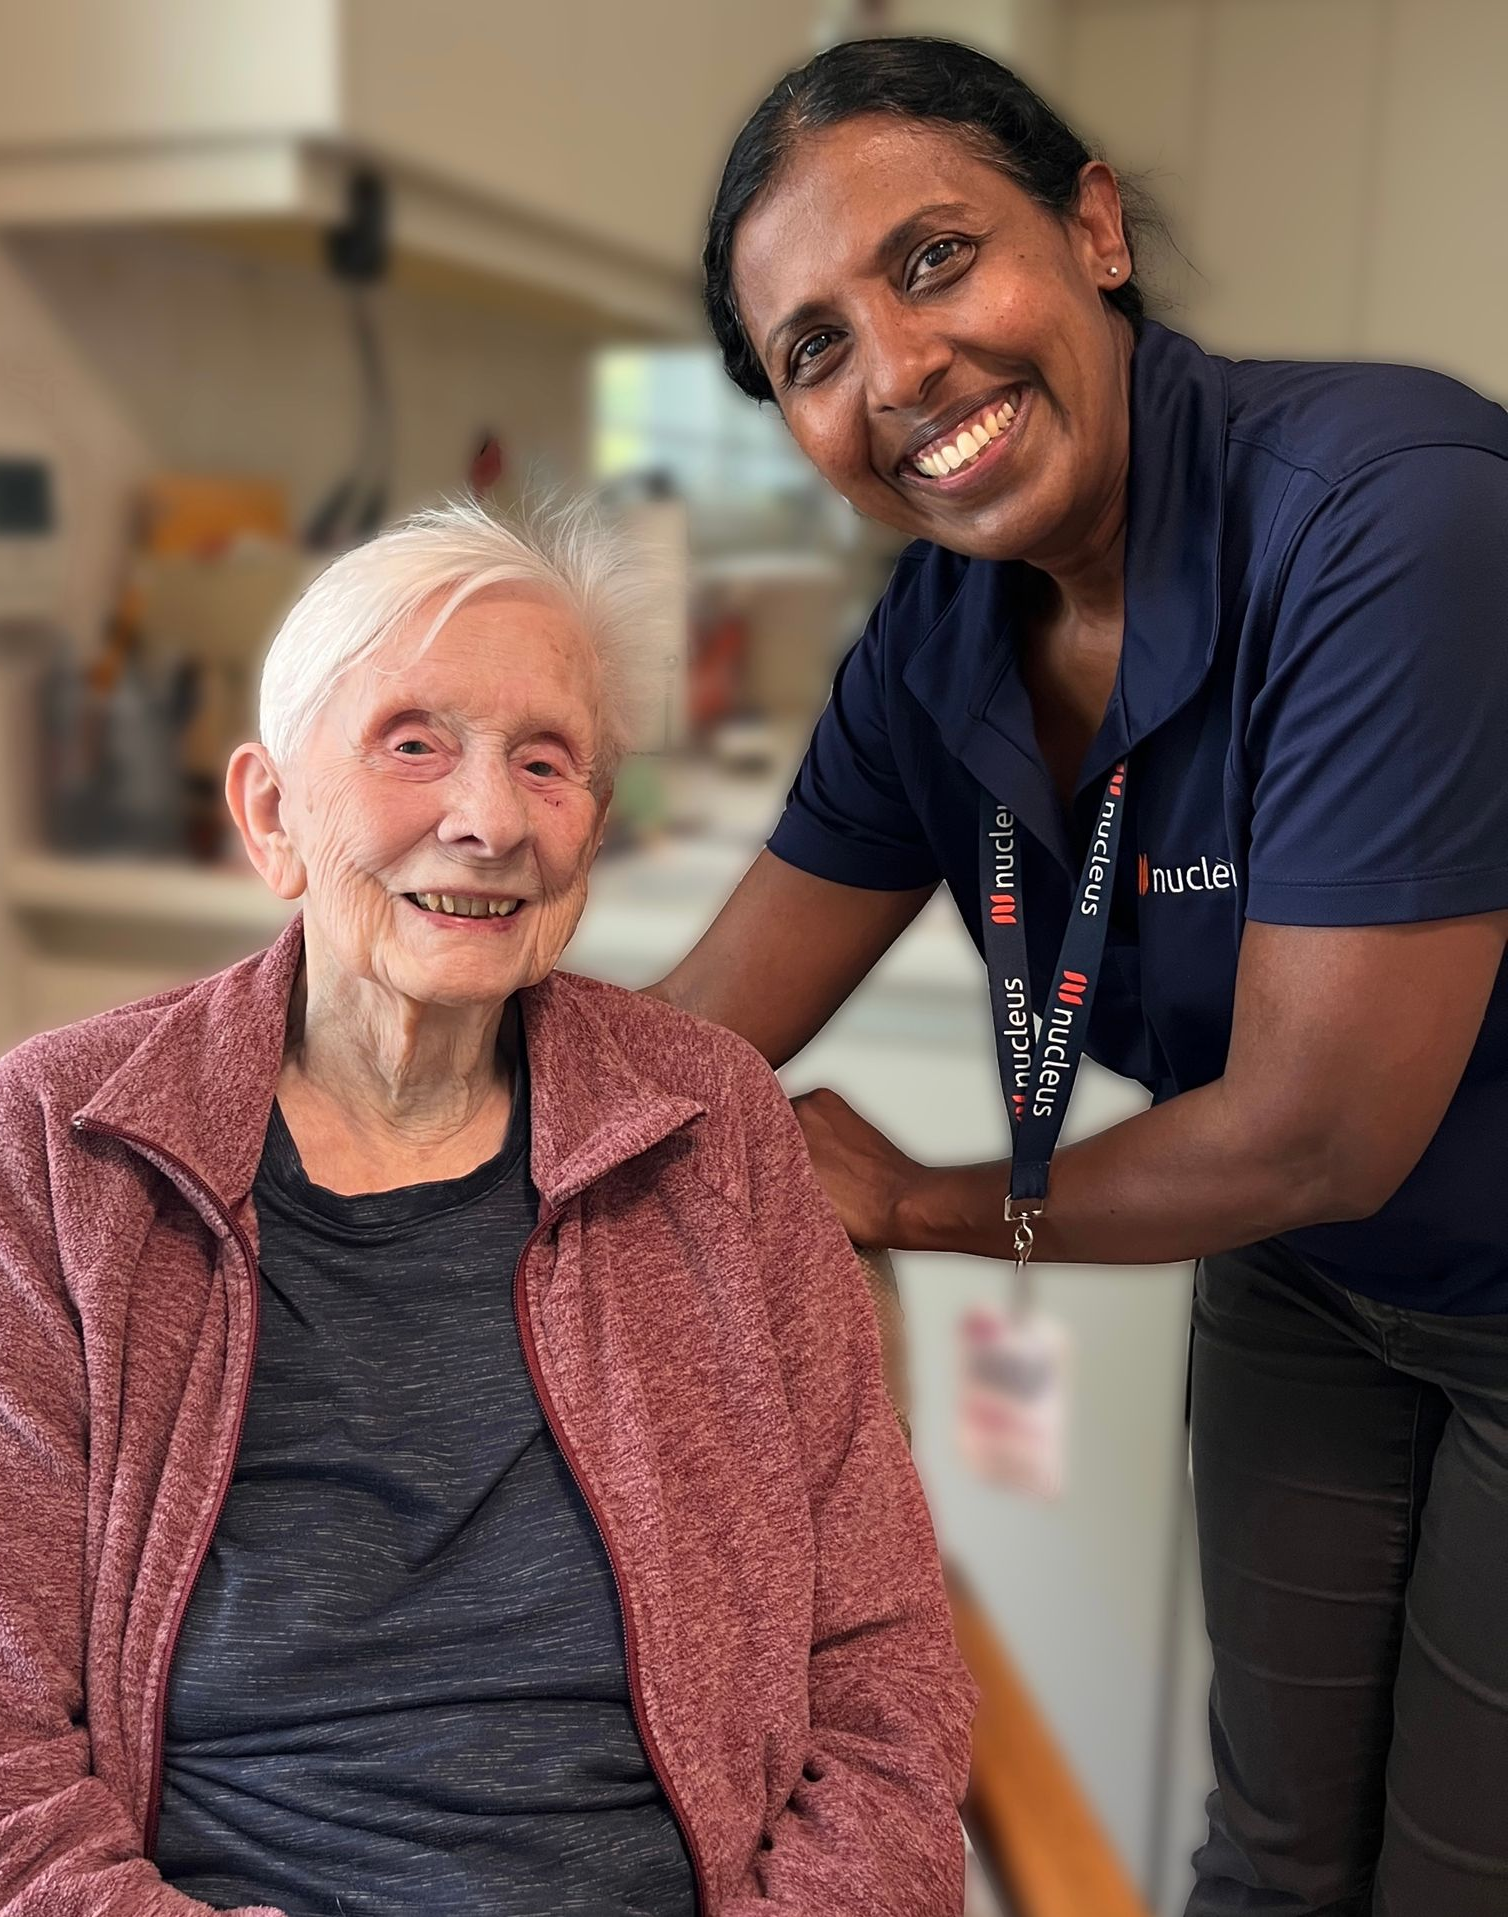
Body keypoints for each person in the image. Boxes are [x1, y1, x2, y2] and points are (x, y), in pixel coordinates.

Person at [0, 499, 975, 1917]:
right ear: (270, 813)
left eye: (546, 762)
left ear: (591, 833)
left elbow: (882, 1678)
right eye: (412, 744)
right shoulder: (66, 1152)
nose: (486, 821)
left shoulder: (712, 1129)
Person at [654, 32, 1508, 1916]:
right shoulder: (934, 645)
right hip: (1316, 1293)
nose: (897, 371)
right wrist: (355, 1096)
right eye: (813, 349)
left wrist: (914, 1199)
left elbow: (1315, 1132)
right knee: (1272, 1852)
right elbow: (698, 1027)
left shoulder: (1395, 514)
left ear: (1095, 228)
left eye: (937, 259)